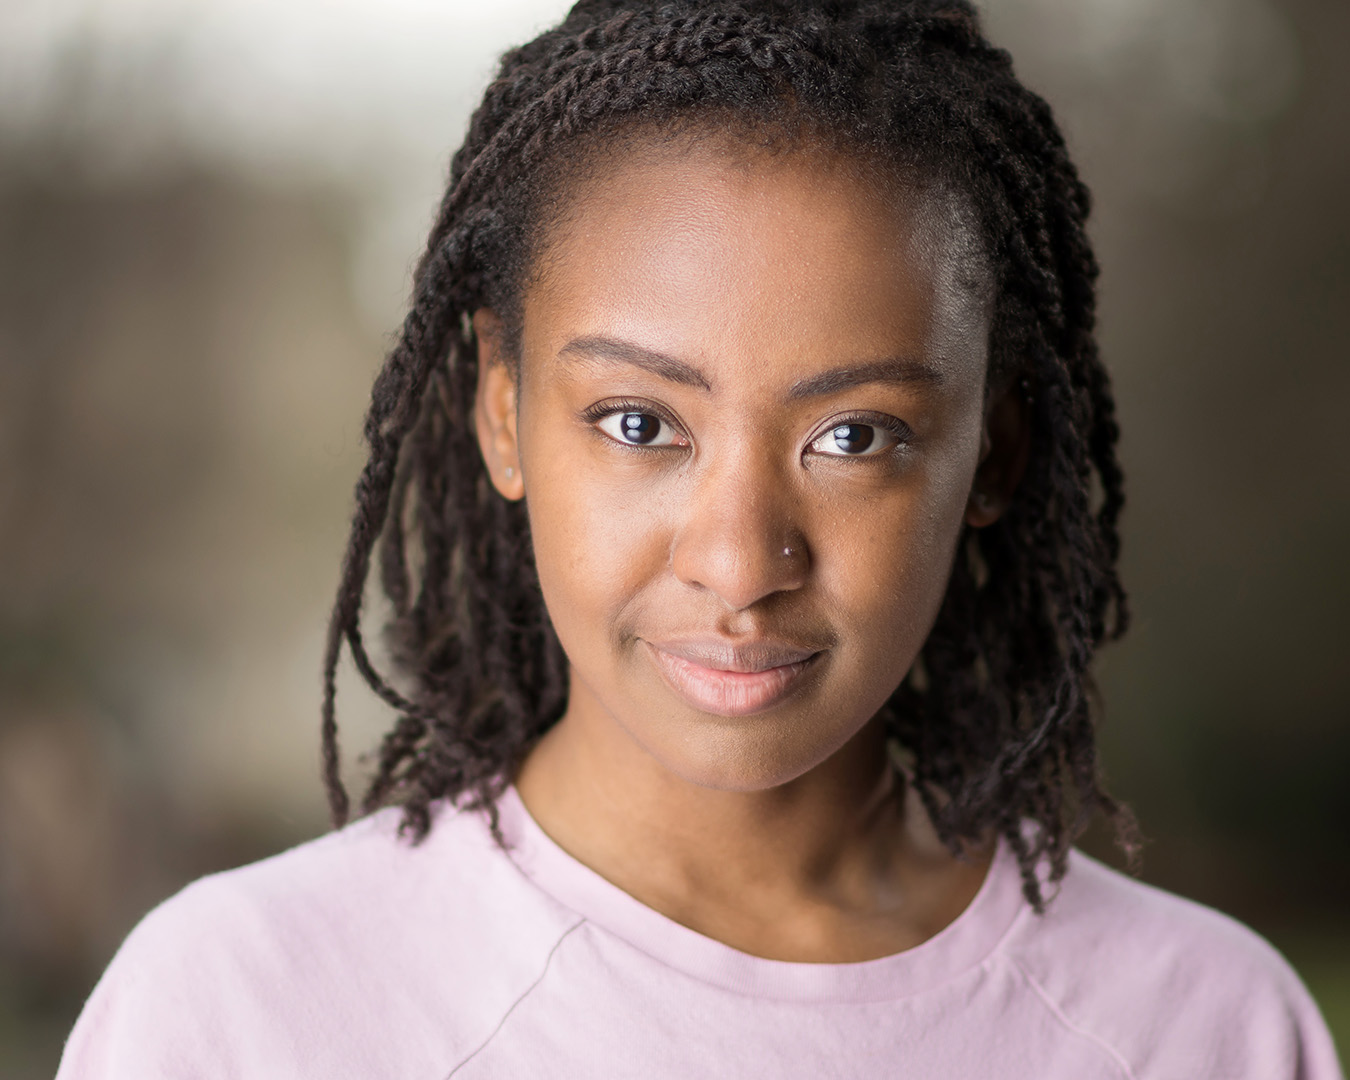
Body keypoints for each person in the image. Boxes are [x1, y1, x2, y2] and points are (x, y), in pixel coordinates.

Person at [56, 1, 1344, 1077]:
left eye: (855, 437)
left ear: (991, 456)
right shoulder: (243, 1013)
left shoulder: (1206, 1029)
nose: (738, 562)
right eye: (637, 421)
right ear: (503, 416)